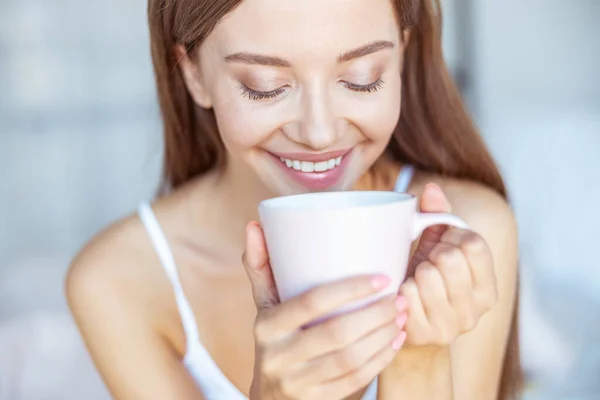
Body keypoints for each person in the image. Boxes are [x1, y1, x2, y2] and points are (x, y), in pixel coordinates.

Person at [65, 0, 522, 399]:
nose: (319, 133)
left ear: (401, 51)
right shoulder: (118, 281)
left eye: (362, 80)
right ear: (193, 73)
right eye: (266, 86)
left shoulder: (462, 235)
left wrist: (418, 360)